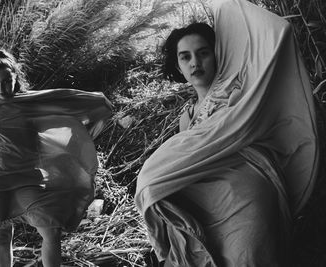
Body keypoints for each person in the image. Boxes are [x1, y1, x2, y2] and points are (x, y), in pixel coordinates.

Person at [135, 0, 318, 266]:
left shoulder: (235, 91)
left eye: (203, 52)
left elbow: (279, 29)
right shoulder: (186, 119)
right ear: (178, 67)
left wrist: (223, 5)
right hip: (208, 208)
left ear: (217, 54)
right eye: (185, 57)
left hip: (247, 197)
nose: (195, 62)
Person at [0, 49, 112, 266]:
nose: (1, 88)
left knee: (51, 232)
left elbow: (75, 110)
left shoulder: (34, 103)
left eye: (6, 81)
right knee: (3, 237)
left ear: (16, 76)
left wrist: (95, 116)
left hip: (30, 177)